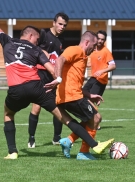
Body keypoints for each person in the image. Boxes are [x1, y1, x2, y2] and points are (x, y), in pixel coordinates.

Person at [0, 6, 112, 160]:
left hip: (16, 89)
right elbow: (51, 68)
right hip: (37, 88)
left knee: (8, 113)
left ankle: (12, 151)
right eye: (37, 39)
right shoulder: (36, 50)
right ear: (31, 35)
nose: (38, 41)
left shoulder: (8, 41)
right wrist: (58, 80)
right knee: (65, 118)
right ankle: (94, 145)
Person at [45, 31, 114, 160]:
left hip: (74, 94)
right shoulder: (75, 50)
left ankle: (69, 141)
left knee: (92, 118)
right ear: (87, 42)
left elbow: (75, 82)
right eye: (93, 46)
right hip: (71, 96)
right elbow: (60, 59)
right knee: (96, 118)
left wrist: (90, 95)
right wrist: (58, 78)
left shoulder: (82, 56)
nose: (93, 49)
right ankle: (83, 153)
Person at [28, 12, 69, 148]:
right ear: (54, 22)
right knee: (36, 107)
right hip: (40, 74)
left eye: (64, 25)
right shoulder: (44, 34)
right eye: (60, 23)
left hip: (53, 77)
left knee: (58, 106)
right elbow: (35, 48)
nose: (62, 27)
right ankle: (31, 138)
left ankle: (56, 137)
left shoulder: (60, 41)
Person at [83, 30, 116, 130]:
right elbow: (93, 63)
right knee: (82, 95)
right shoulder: (93, 50)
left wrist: (102, 71)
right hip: (93, 77)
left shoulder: (106, 52)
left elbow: (113, 65)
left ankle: (96, 119)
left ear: (105, 41)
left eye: (103, 39)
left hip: (101, 80)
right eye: (99, 39)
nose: (100, 41)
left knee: (88, 100)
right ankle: (94, 118)